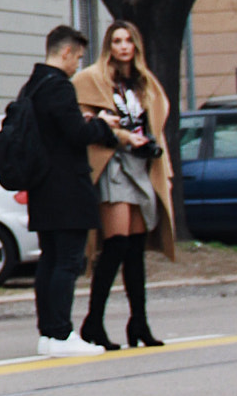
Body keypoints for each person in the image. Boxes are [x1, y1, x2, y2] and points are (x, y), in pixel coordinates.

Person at [16, 23, 134, 357]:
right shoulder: (59, 87)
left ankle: (48, 334)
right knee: (67, 262)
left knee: (50, 260)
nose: (77, 64)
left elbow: (53, 130)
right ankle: (62, 334)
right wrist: (100, 124)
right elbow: (74, 135)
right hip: (66, 186)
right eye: (77, 58)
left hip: (42, 187)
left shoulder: (32, 87)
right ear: (65, 52)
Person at [73, 20, 176, 348]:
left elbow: (157, 122)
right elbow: (80, 115)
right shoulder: (92, 78)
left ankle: (139, 324)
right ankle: (93, 323)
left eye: (128, 40)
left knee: (134, 249)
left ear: (136, 45)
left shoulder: (144, 82)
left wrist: (160, 160)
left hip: (140, 164)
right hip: (112, 162)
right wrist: (113, 130)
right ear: (109, 45)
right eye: (116, 40)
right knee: (115, 245)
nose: (123, 46)